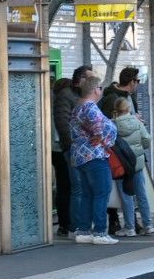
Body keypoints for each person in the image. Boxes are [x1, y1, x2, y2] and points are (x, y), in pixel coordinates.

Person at [70, 75, 119, 244]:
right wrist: (100, 138)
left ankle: (83, 231)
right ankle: (99, 232)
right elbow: (98, 126)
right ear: (95, 90)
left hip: (80, 156)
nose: (101, 92)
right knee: (102, 192)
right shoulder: (91, 107)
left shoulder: (78, 106)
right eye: (100, 88)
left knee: (87, 194)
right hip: (95, 155)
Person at [55, 65, 92, 237]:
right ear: (80, 80)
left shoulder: (83, 95)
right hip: (73, 149)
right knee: (75, 187)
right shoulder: (66, 96)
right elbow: (63, 124)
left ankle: (81, 224)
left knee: (82, 187)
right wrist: (72, 146)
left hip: (86, 149)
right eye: (90, 78)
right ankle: (74, 226)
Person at [112, 96, 154, 236]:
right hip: (137, 163)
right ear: (128, 108)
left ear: (116, 110)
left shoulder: (113, 125)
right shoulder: (137, 123)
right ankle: (148, 225)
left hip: (122, 165)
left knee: (126, 196)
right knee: (141, 194)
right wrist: (140, 149)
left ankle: (130, 227)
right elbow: (147, 139)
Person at [51, 77, 73, 236]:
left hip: (53, 149)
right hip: (61, 149)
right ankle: (67, 222)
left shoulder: (49, 103)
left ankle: (63, 223)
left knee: (62, 186)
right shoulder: (61, 105)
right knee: (68, 186)